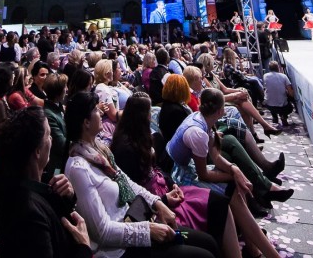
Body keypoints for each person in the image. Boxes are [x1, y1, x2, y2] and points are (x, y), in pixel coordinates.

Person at [112, 93, 280, 258]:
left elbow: (156, 170)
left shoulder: (145, 136)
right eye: (149, 113)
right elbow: (202, 174)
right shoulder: (129, 148)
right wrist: (163, 198)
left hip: (168, 184)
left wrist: (234, 170)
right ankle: (256, 238)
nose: (151, 116)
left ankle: (254, 241)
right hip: (172, 185)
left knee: (234, 179)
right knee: (231, 190)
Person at [64, 92, 220, 258]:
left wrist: (158, 203)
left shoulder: (98, 149)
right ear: (86, 123)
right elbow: (102, 232)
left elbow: (128, 182)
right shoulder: (79, 168)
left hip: (136, 222)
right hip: (120, 251)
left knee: (208, 242)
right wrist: (148, 230)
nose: (101, 113)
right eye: (96, 110)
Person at [0, 106, 92, 258]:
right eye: (48, 135)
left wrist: (68, 197)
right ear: (37, 151)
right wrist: (84, 247)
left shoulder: (35, 183)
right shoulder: (26, 213)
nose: (51, 140)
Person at [43, 73, 70, 177]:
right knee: (56, 189)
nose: (67, 89)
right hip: (57, 167)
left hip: (66, 162)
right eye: (65, 87)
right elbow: (61, 145)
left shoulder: (59, 107)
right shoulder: (49, 115)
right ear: (58, 92)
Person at [262, 62, 293, 127]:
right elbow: (291, 93)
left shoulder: (265, 76)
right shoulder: (284, 76)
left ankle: (274, 117)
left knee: (271, 96)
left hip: (269, 105)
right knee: (289, 106)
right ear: (278, 68)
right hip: (282, 106)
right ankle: (283, 116)